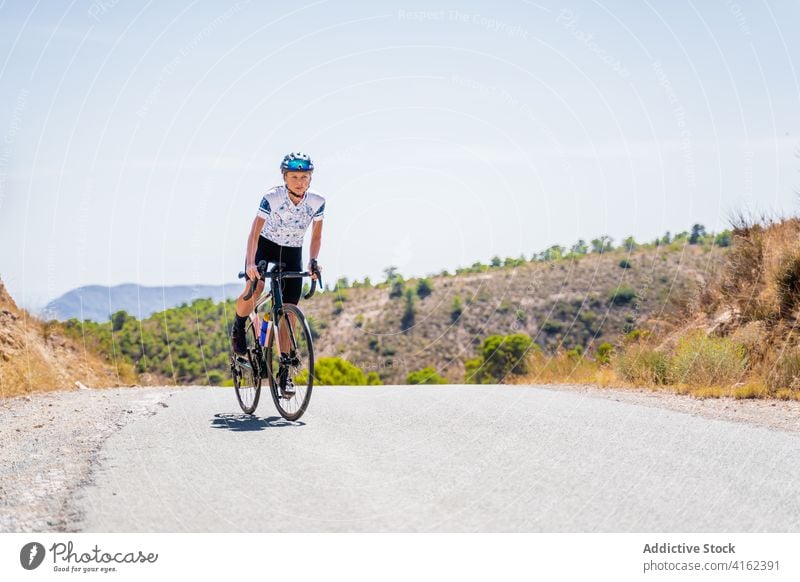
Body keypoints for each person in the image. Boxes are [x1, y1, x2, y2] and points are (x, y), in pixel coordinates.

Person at [231, 152, 324, 361]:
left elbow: (316, 236)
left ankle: (285, 364)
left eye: (304, 177)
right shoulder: (272, 197)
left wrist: (313, 261)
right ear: (284, 178)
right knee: (256, 289)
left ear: (310, 178)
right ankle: (238, 325)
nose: (299, 182)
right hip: (264, 246)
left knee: (289, 311)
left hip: (292, 251)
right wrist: (251, 263)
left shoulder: (318, 201)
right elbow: (254, 233)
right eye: (294, 177)